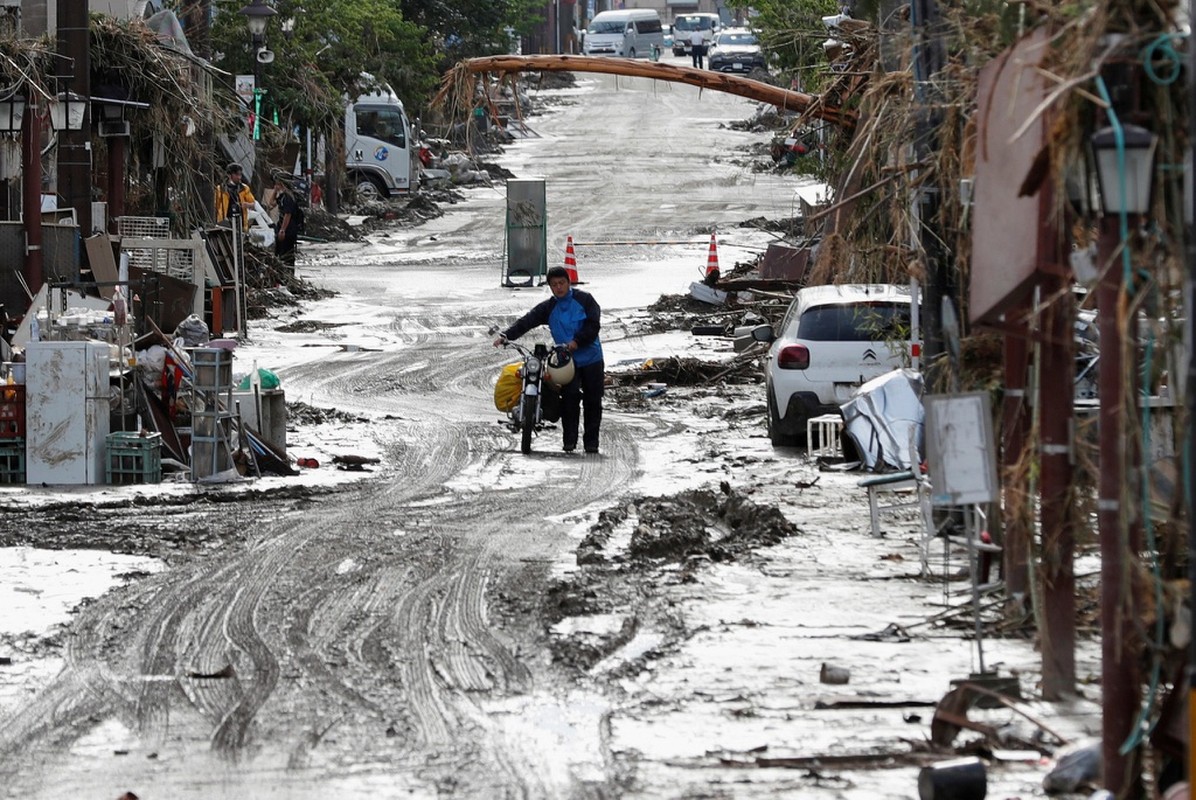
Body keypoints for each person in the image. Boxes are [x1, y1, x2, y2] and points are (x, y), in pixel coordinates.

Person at [493, 266, 605, 454]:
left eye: (562, 283)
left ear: (569, 283)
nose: (559, 287)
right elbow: (528, 321)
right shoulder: (549, 307)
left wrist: (577, 342)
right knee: (569, 399)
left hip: (592, 358)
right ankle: (569, 442)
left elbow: (594, 326)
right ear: (550, 287)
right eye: (554, 285)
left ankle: (591, 443)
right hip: (566, 363)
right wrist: (507, 335)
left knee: (593, 401)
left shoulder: (585, 300)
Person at [214, 162, 257, 232]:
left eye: (240, 175)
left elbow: (253, 203)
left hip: (241, 222)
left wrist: (247, 205)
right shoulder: (221, 189)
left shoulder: (244, 188)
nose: (239, 177)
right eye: (236, 175)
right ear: (229, 175)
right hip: (225, 222)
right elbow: (216, 205)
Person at [271, 172, 301, 268]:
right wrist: (275, 191)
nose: (276, 186)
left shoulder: (288, 197)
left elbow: (287, 214)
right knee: (279, 253)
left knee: (286, 255)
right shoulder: (282, 196)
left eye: (277, 184)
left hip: (288, 230)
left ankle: (287, 274)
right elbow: (271, 203)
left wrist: (282, 230)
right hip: (282, 227)